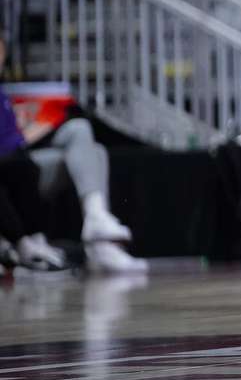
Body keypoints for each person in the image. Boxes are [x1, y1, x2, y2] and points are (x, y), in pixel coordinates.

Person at [0, 35, 145, 273]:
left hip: (22, 166)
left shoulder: (3, 95)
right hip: (11, 178)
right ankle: (98, 240)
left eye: (1, 51)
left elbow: (16, 144)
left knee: (85, 138)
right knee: (85, 151)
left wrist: (43, 125)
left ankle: (97, 222)